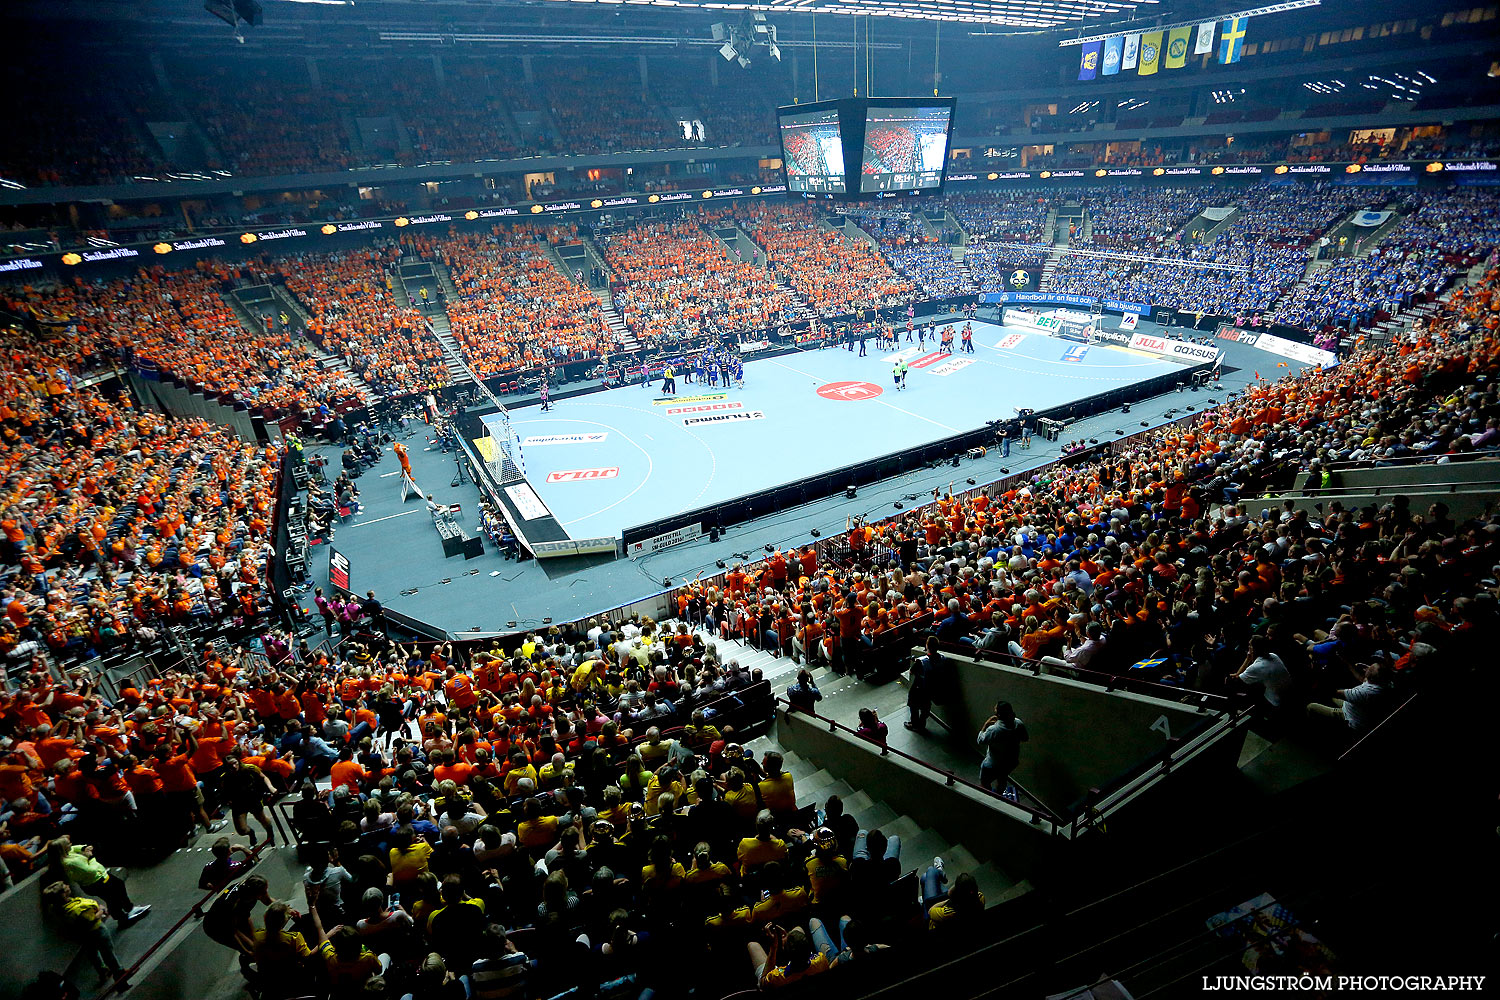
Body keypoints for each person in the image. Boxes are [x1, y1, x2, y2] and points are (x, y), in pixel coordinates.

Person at [41, 881, 127, 989]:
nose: (68, 885)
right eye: (65, 886)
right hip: (97, 931)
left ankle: (103, 971)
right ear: (63, 894)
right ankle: (119, 974)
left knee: (93, 953)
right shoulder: (76, 910)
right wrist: (102, 910)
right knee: (108, 952)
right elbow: (93, 919)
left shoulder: (58, 908)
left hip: (82, 935)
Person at [976, 702, 1028, 797]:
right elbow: (1025, 738)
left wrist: (985, 725)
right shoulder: (1018, 723)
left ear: (999, 715)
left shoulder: (994, 730)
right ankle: (999, 796)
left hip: (993, 764)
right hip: (1010, 762)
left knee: (984, 782)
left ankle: (988, 797)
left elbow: (980, 740)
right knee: (1002, 778)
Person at [905, 637, 951, 733]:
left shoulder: (921, 661)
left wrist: (916, 663)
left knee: (913, 705)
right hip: (933, 688)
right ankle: (922, 724)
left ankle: (914, 724)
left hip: (919, 687)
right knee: (926, 707)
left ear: (927, 646)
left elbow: (911, 672)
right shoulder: (943, 658)